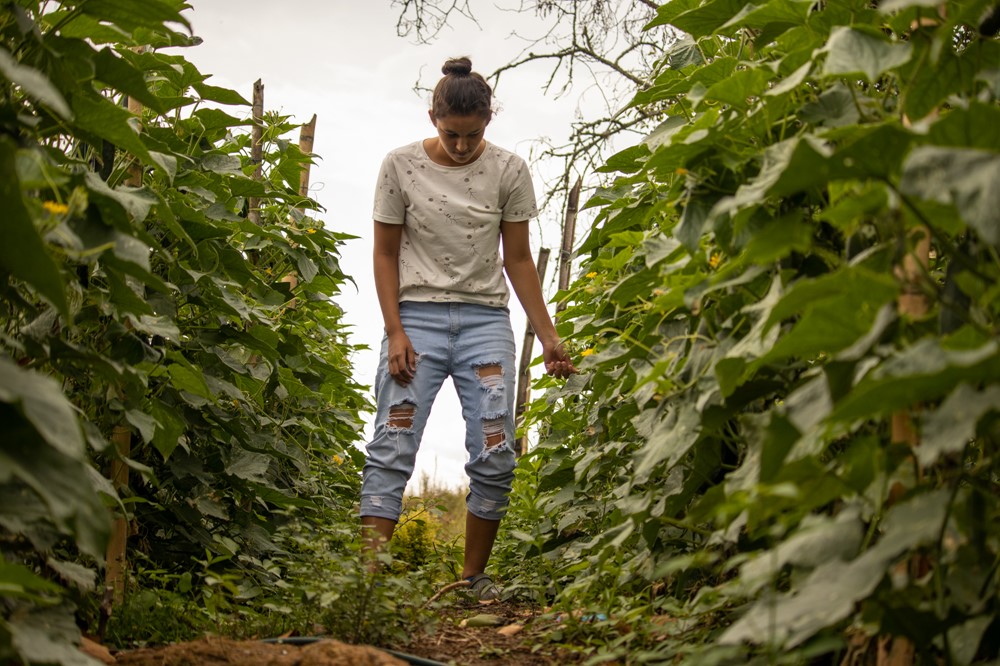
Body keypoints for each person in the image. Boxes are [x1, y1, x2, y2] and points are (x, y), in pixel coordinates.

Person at [360, 56, 576, 601]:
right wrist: (395, 330)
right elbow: (385, 254)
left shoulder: (508, 170)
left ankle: (472, 578)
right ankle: (368, 584)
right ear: (431, 116)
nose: (461, 147)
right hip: (415, 320)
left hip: (484, 321)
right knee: (394, 441)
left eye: (472, 135)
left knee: (496, 447)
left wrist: (549, 336)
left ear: (489, 121)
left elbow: (520, 260)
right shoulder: (399, 166)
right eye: (451, 134)